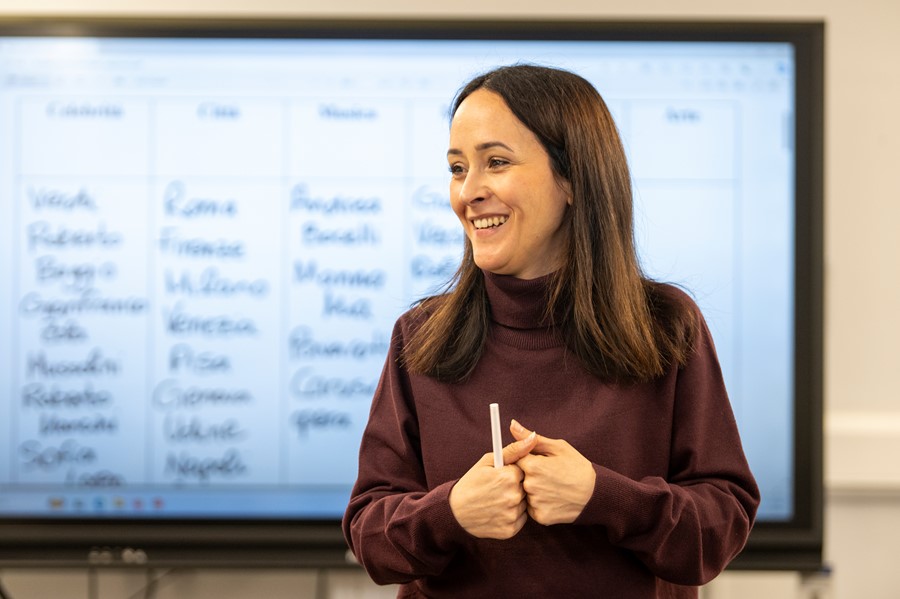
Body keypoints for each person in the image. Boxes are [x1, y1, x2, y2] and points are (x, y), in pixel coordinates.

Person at [342, 64, 759, 598]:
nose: (468, 192)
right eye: (456, 168)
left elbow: (719, 528)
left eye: (496, 162)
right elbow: (368, 535)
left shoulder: (668, 327)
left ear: (572, 180)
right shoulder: (419, 337)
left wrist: (604, 498)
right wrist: (450, 513)